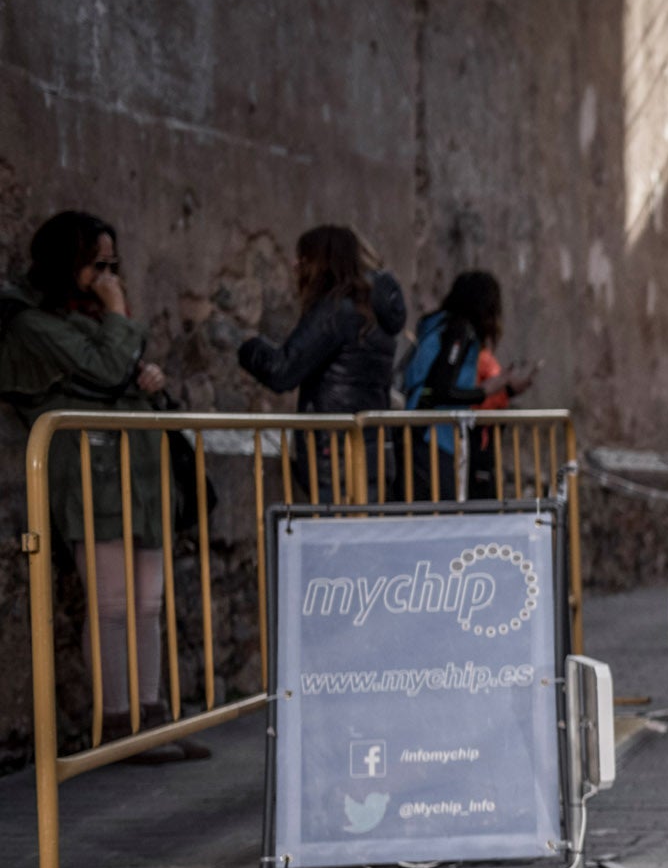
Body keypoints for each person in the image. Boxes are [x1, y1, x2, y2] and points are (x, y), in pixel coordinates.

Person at [0, 211, 208, 763]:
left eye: (114, 265)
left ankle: (152, 717)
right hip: (91, 477)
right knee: (112, 603)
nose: (109, 278)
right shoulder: (33, 324)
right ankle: (119, 725)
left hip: (138, 474)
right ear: (68, 265)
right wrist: (121, 323)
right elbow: (103, 369)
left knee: (149, 602)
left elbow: (117, 372)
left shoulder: (97, 320)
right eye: (97, 265)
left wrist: (150, 379)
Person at [237, 224, 405, 503]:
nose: (295, 266)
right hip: (372, 450)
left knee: (335, 539)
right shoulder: (374, 313)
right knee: (363, 537)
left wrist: (248, 345)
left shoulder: (337, 310)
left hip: (334, 454)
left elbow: (283, 371)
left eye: (303, 258)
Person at [400, 271, 535, 500]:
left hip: (425, 436)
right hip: (430, 438)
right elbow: (441, 390)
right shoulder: (458, 331)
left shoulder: (439, 326)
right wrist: (488, 389)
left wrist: (503, 389)